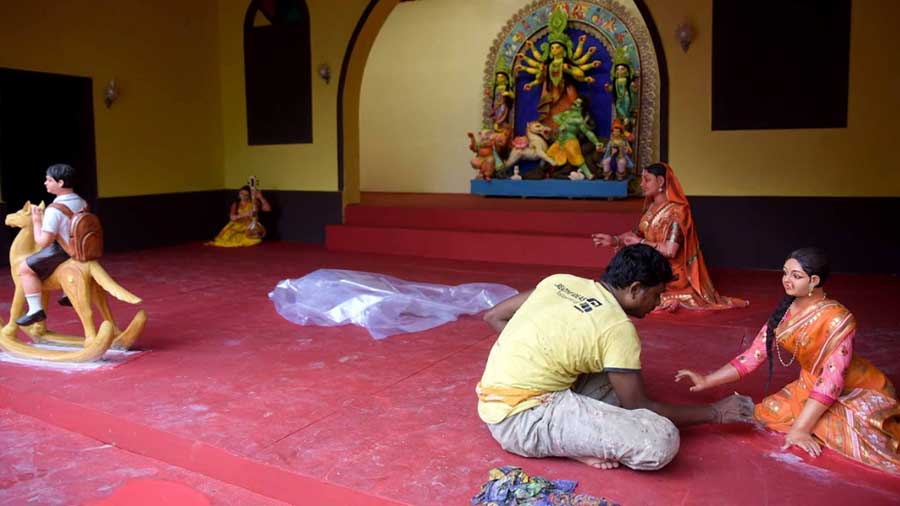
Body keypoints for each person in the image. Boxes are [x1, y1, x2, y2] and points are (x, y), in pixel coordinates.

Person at [477, 245, 755, 471]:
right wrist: (715, 413)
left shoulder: (561, 282)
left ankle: (575, 433)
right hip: (521, 422)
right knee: (660, 440)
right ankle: (571, 443)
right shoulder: (617, 329)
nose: (658, 304)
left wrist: (534, 353)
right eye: (656, 295)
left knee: (616, 374)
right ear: (635, 289)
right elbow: (640, 406)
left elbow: (495, 315)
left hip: (496, 400)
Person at [675, 248, 900, 474]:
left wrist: (801, 429)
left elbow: (832, 381)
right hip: (810, 385)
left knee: (845, 433)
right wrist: (707, 380)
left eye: (796, 275)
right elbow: (753, 356)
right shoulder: (785, 311)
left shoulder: (838, 320)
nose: (786, 280)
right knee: (769, 413)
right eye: (785, 273)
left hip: (852, 387)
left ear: (814, 280)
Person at [592, 163, 748, 311]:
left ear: (660, 182)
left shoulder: (678, 212)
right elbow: (637, 233)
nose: (642, 184)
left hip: (670, 274)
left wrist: (641, 242)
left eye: (647, 180)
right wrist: (615, 240)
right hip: (651, 267)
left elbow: (670, 250)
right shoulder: (652, 208)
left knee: (638, 295)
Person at [16, 164, 87, 325]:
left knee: (24, 268)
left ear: (60, 183)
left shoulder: (53, 210)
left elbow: (43, 241)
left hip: (63, 250)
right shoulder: (81, 201)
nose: (45, 183)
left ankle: (35, 310)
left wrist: (36, 221)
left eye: (49, 180)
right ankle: (66, 294)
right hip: (80, 248)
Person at [545, 98, 603, 180]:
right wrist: (563, 123)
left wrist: (596, 142)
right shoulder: (566, 113)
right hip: (560, 140)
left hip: (570, 140)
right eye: (573, 103)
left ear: (581, 108)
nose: (573, 105)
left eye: (576, 104)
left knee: (575, 156)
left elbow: (587, 132)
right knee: (549, 153)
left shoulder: (579, 120)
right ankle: (547, 173)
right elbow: (555, 117)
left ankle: (588, 174)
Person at [206, 185, 271, 247]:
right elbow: (232, 218)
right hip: (237, 225)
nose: (243, 196)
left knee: (254, 240)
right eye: (242, 193)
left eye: (246, 194)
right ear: (239, 194)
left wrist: (261, 197)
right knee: (226, 238)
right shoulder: (236, 204)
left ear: (249, 195)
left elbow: (268, 209)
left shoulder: (254, 203)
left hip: (250, 226)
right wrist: (244, 214)